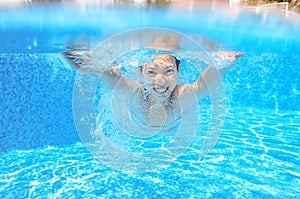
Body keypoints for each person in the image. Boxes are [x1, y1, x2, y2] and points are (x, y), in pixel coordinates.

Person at [62, 48, 244, 127]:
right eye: (151, 72)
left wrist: (226, 61)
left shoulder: (181, 97)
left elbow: (203, 85)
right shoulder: (134, 93)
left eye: (168, 71)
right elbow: (97, 69)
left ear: (179, 70)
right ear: (141, 72)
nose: (160, 81)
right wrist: (71, 53)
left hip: (173, 126)